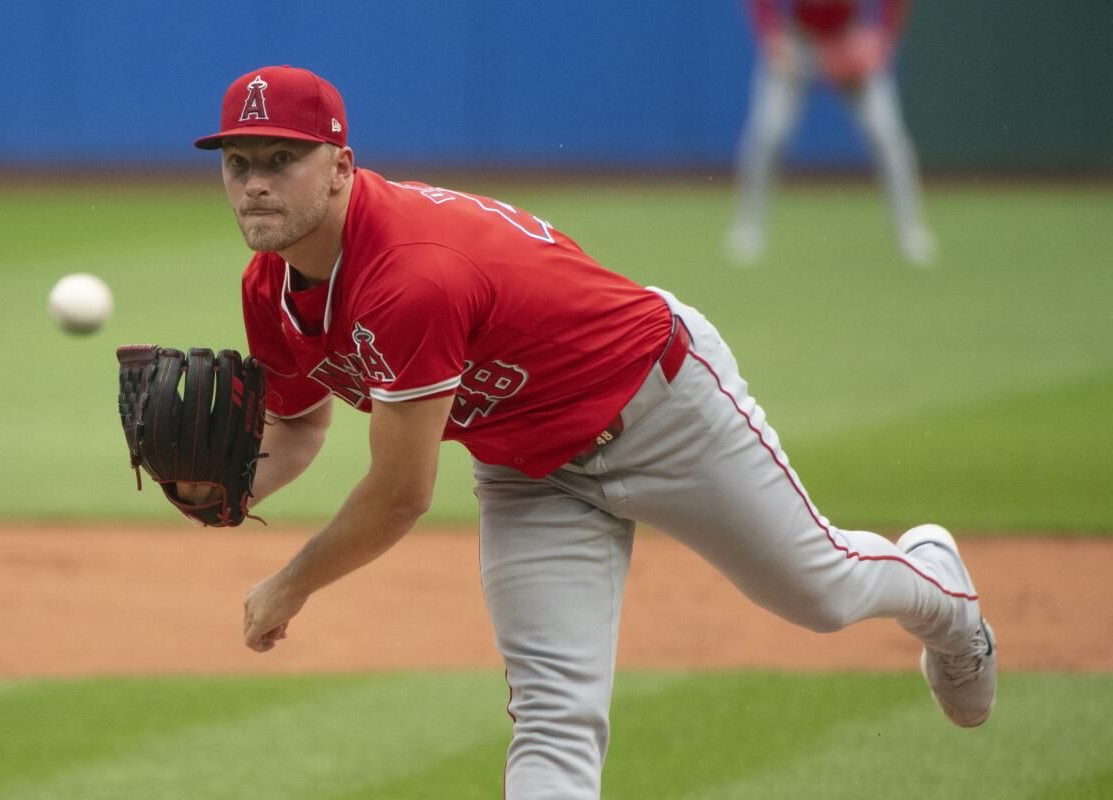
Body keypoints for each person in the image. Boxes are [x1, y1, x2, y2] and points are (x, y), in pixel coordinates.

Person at [189, 65, 994, 799]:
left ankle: (941, 589)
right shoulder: (269, 289)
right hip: (529, 467)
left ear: (340, 166)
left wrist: (290, 582)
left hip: (660, 407)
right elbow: (297, 427)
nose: (255, 185)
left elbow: (402, 493)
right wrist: (219, 492)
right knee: (553, 714)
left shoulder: (410, 275)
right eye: (239, 163)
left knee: (820, 592)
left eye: (279, 159)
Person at [727, 0, 937, 266]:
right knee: (768, 134)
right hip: (799, 42)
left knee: (887, 136)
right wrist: (771, 36)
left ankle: (910, 231)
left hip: (848, 41)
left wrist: (882, 38)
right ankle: (748, 229)